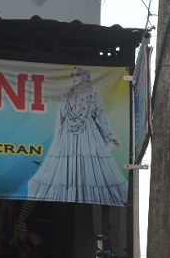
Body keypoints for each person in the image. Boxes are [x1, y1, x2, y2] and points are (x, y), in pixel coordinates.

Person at [28, 66, 127, 205]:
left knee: (88, 166)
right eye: (72, 75)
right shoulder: (67, 93)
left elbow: (101, 116)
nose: (74, 77)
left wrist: (110, 136)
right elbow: (61, 115)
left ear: (84, 76)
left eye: (77, 74)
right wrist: (59, 137)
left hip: (87, 134)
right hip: (68, 135)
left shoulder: (93, 94)